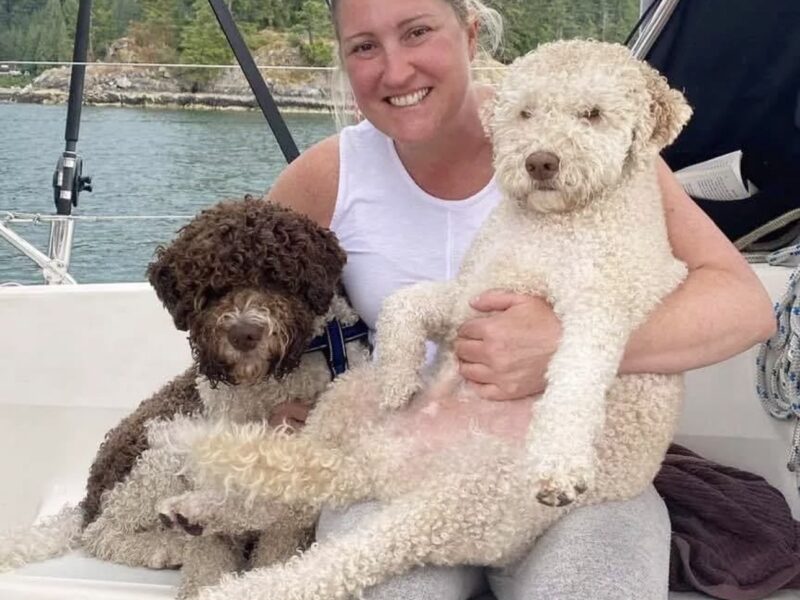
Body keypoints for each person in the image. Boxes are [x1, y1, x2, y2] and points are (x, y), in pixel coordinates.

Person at [264, 0, 776, 598]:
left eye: (418, 32)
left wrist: (560, 346)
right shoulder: (326, 177)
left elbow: (743, 304)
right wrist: (275, 404)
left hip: (580, 465)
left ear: (470, 35)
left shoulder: (592, 142)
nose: (396, 70)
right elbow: (238, 304)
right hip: (410, 449)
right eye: (364, 46)